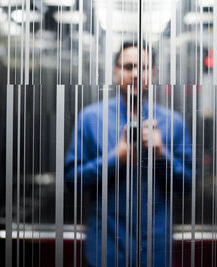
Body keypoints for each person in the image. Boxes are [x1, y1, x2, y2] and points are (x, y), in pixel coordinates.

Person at [64, 41, 192, 266]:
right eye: (128, 67)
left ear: (153, 74)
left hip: (155, 250)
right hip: (106, 249)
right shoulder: (91, 119)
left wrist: (161, 154)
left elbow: (188, 184)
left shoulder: (173, 123)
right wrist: (116, 158)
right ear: (116, 73)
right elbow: (72, 180)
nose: (135, 74)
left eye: (142, 68)